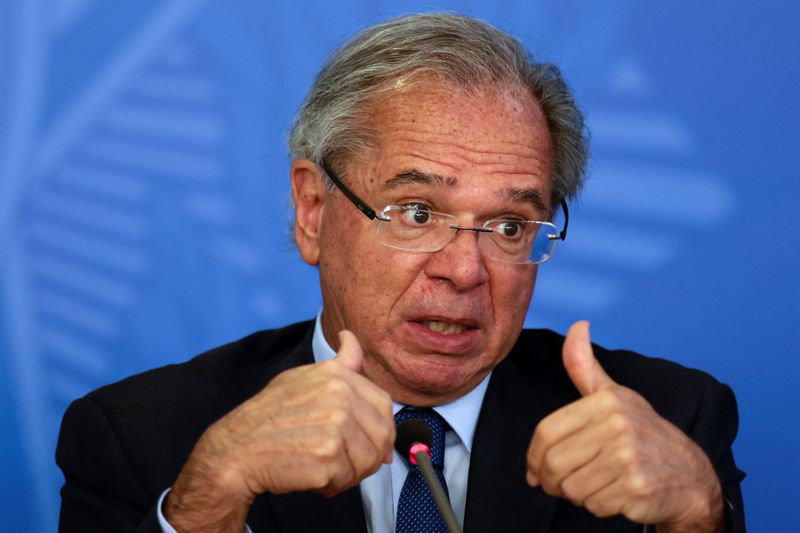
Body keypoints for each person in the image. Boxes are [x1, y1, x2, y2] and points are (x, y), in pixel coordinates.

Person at [56, 13, 745, 533]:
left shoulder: (672, 420)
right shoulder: (138, 437)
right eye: (416, 212)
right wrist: (209, 499)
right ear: (312, 210)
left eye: (509, 226)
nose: (464, 269)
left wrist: (697, 514)